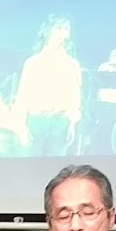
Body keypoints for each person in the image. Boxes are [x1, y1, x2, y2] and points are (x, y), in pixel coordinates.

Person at [10, 15, 82, 156]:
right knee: (30, 165)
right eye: (59, 28)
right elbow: (23, 96)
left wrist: (72, 124)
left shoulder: (72, 64)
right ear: (48, 31)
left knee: (56, 168)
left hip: (61, 123)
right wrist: (21, 127)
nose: (63, 33)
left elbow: (74, 97)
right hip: (36, 121)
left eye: (66, 29)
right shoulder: (34, 62)